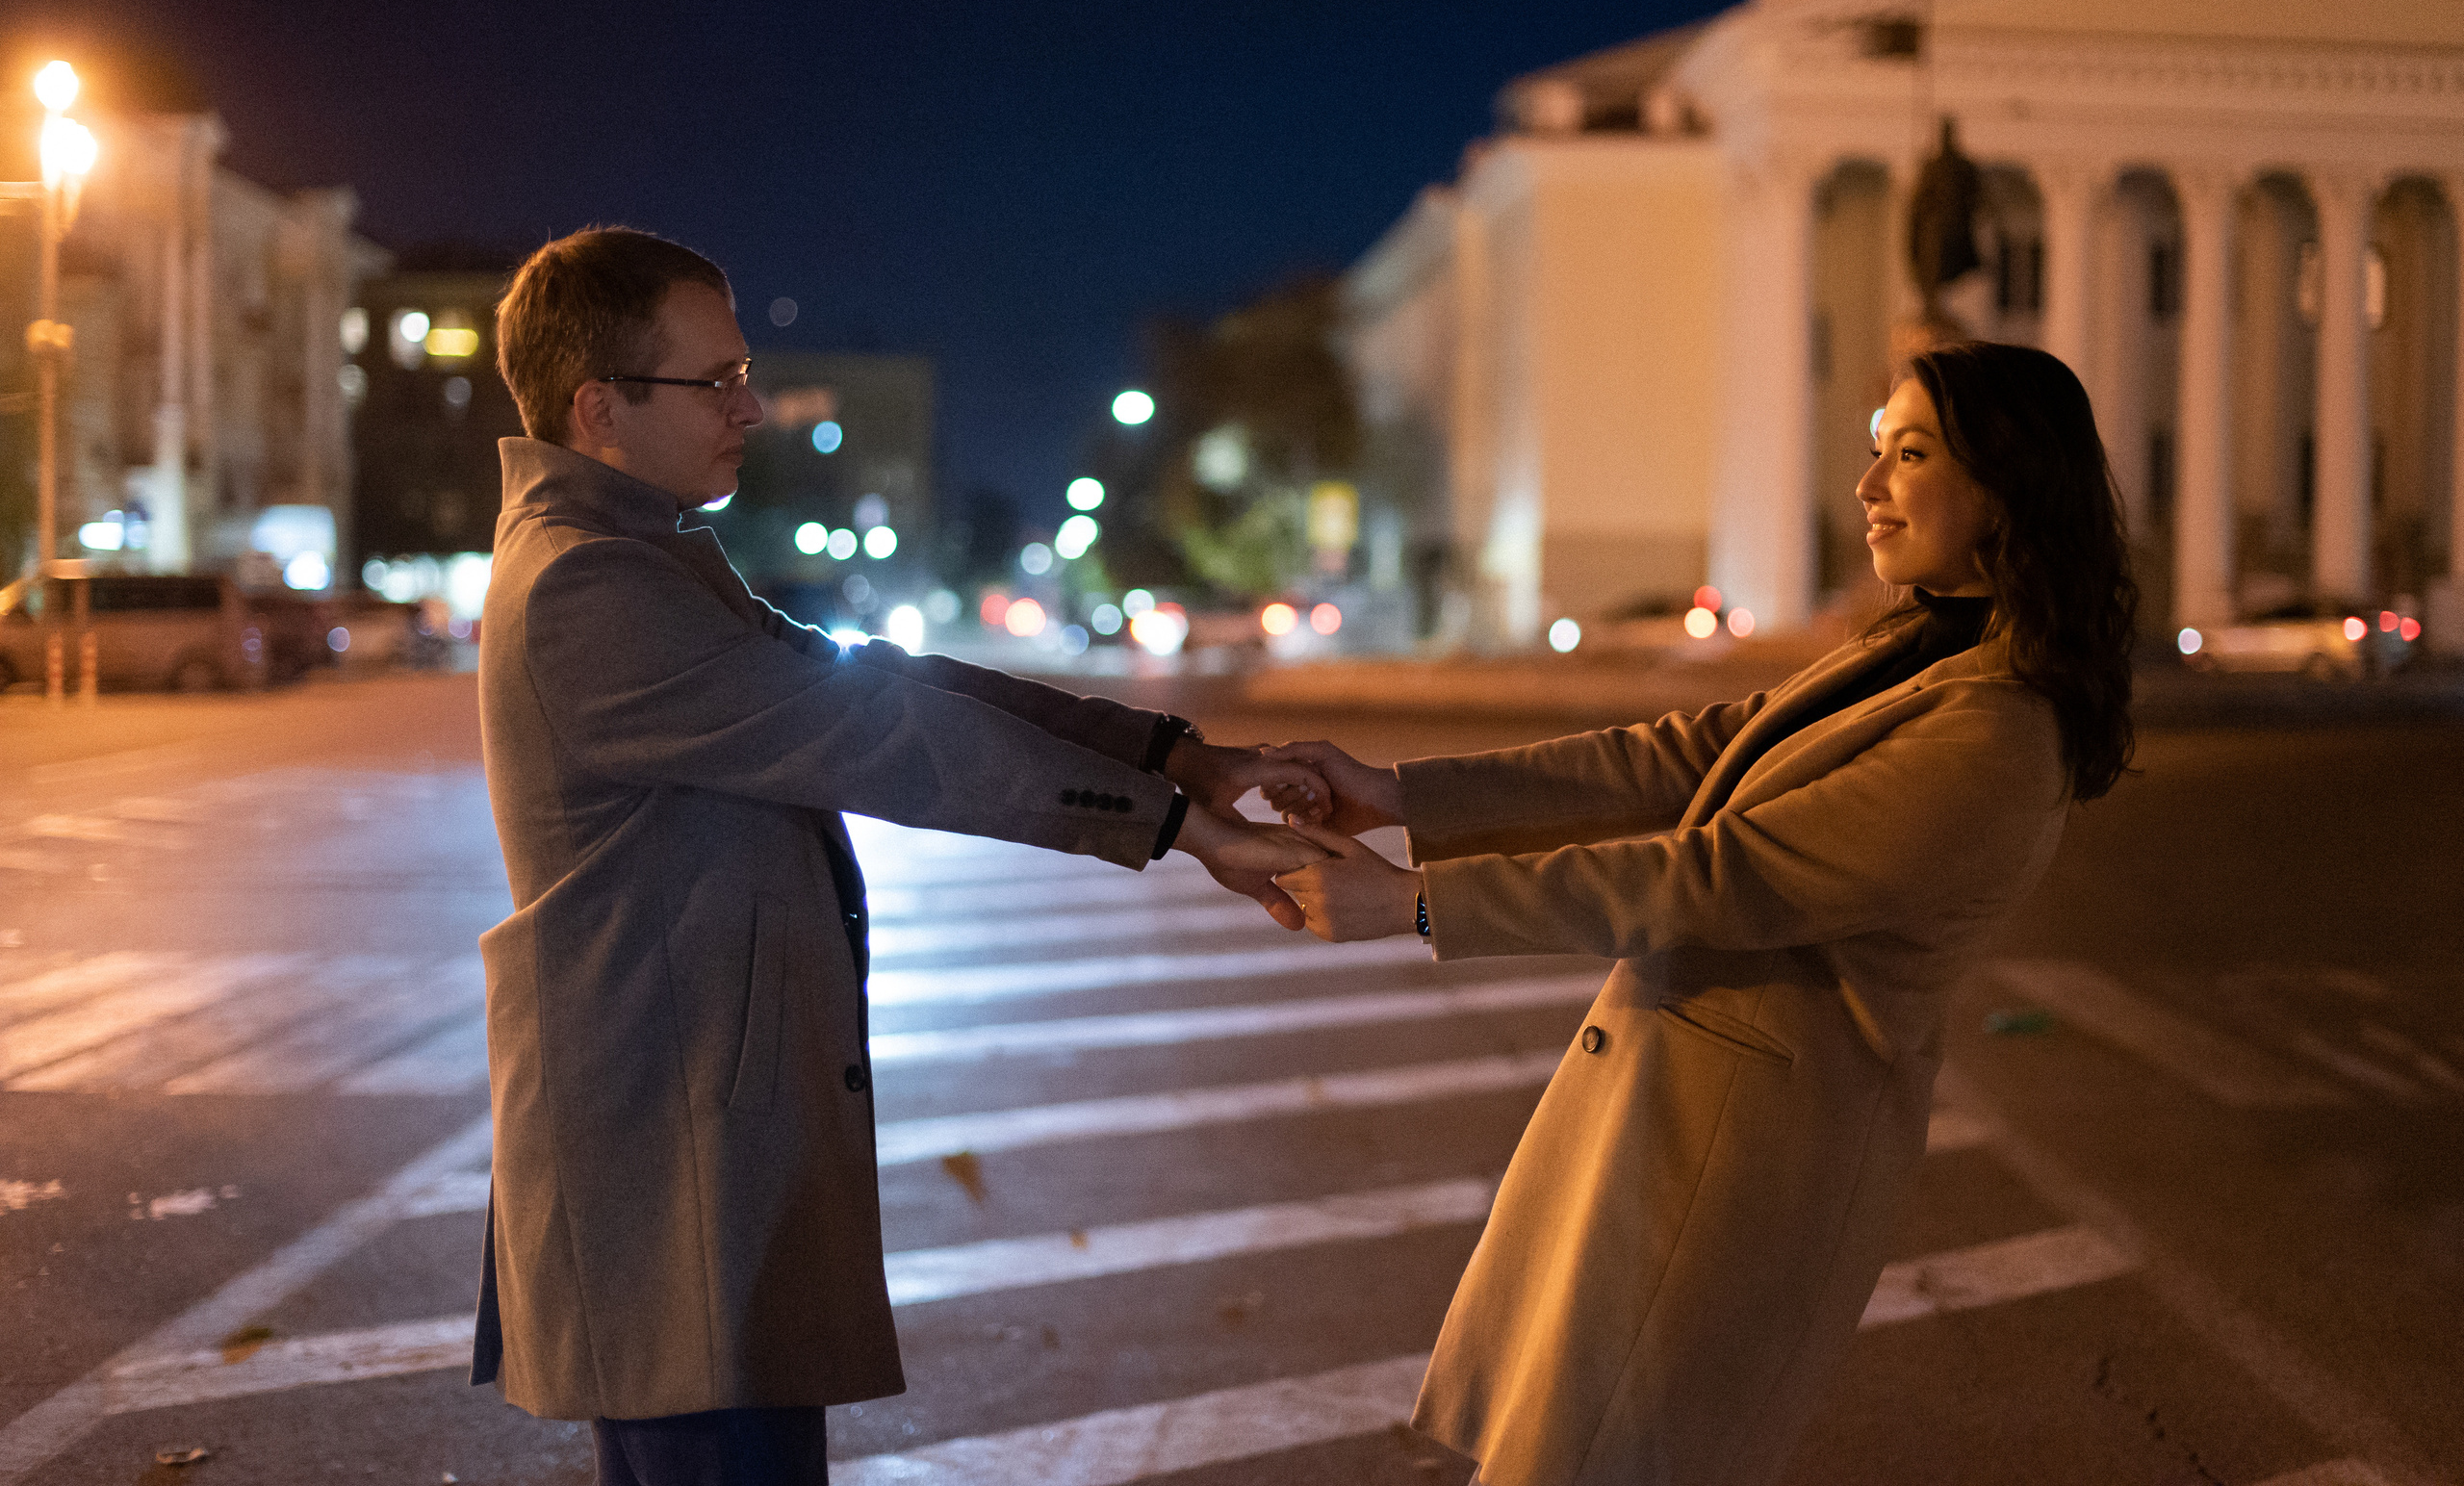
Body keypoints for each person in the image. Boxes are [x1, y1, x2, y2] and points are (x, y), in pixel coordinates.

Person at [467, 226, 1323, 1484]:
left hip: (700, 1161)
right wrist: (1179, 833)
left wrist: (1174, 759)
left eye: (743, 371)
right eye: (715, 381)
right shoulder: (589, 587)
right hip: (669, 1183)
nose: (749, 407)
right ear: (599, 407)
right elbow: (880, 733)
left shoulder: (642, 556)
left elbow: (882, 676)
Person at [1268, 342, 2137, 1486]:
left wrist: (1412, 904)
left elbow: (1720, 876)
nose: (1868, 487)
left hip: (1737, 1170)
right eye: (1874, 450)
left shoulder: (1999, 732)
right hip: (1672, 1130)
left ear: (2010, 482)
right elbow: (1678, 756)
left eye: (1911, 454)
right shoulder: (1917, 643)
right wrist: (1397, 793)